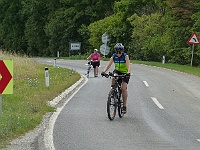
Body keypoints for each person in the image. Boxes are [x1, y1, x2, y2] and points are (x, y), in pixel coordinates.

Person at [101, 43, 131, 114]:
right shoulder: (114, 56)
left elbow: (129, 66)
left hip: (125, 73)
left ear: (122, 51)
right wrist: (104, 71)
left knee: (123, 89)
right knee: (113, 78)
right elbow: (108, 65)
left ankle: (124, 106)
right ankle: (113, 92)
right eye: (117, 52)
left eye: (120, 52)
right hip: (117, 71)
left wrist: (128, 72)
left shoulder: (125, 56)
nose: (118, 53)